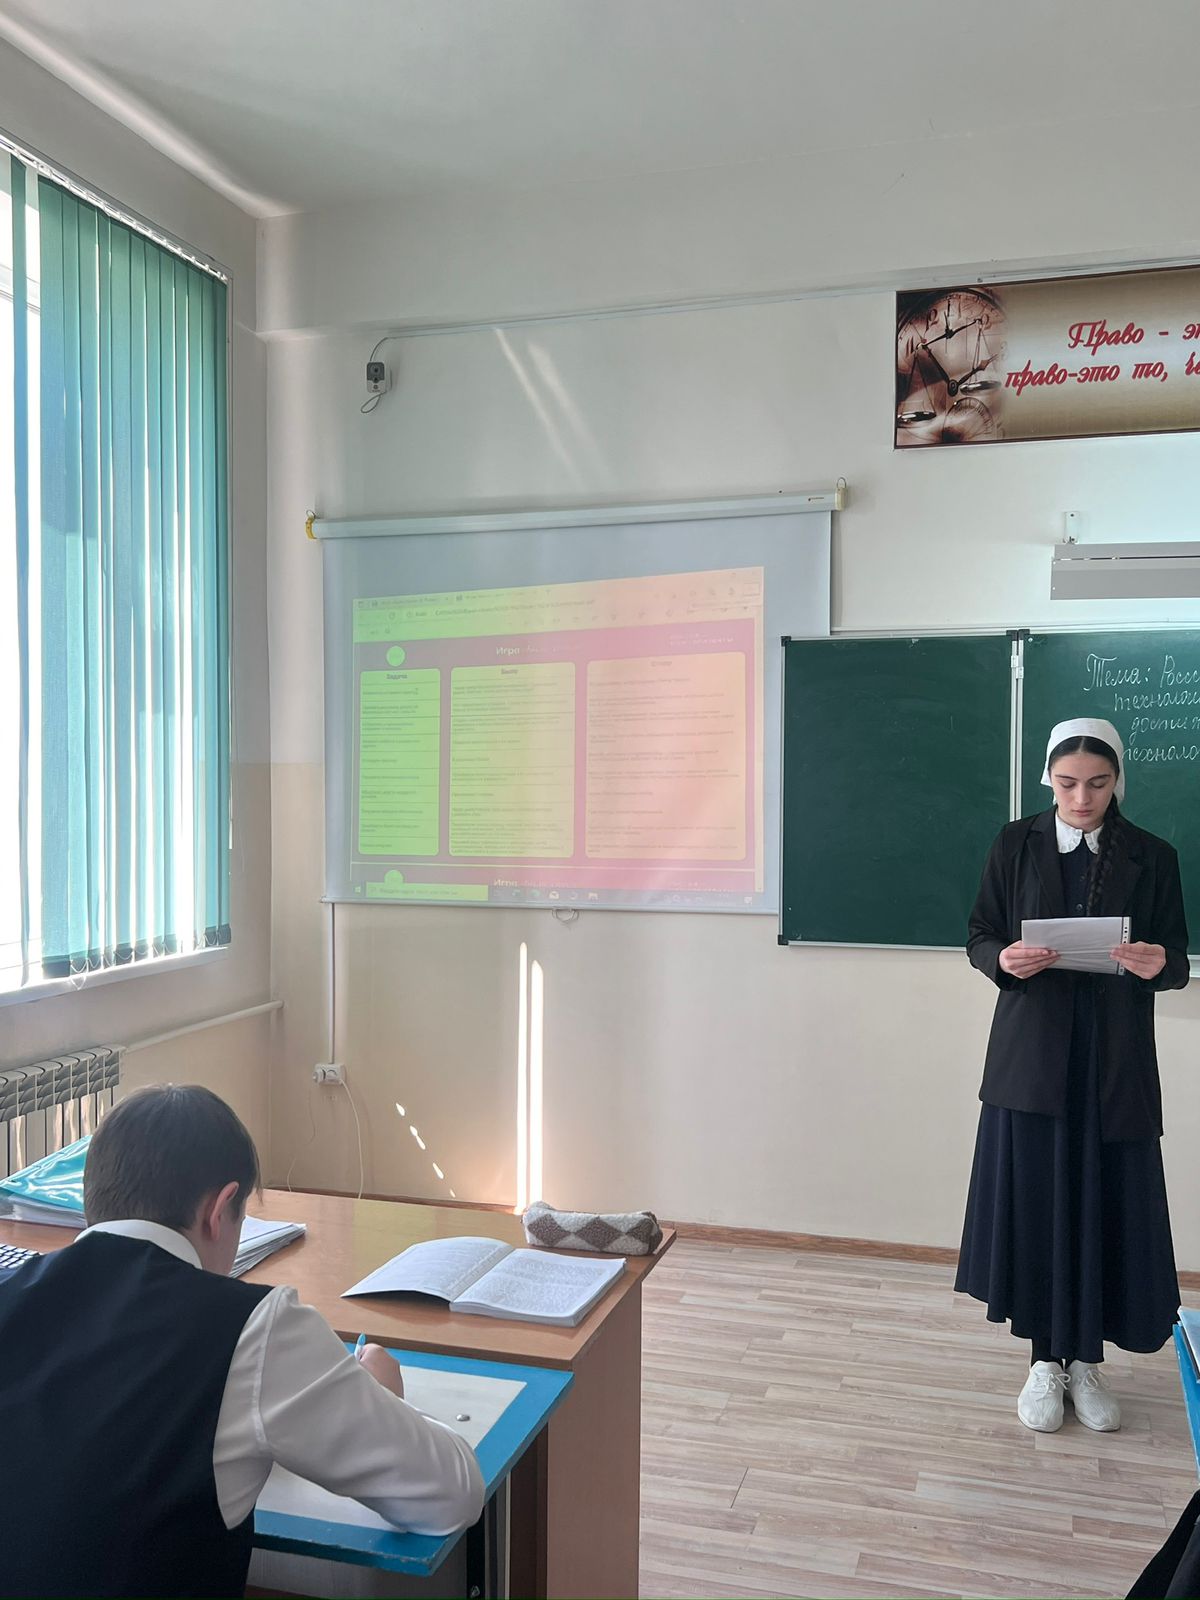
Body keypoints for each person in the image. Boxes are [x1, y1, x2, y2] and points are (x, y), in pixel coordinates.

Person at [0, 1085, 484, 1598]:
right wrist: (384, 1399)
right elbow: (452, 1496)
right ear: (221, 1208)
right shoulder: (252, 1327)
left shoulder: (12, 1293)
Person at [956, 717, 1190, 1435]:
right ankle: (1042, 1362)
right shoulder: (1013, 843)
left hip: (1114, 1062)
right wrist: (1003, 960)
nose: (1082, 799)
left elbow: (1176, 960)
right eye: (1066, 784)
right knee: (1038, 1206)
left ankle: (1087, 1361)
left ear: (1117, 781)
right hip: (1031, 1059)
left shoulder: (1153, 854)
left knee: (1106, 1205)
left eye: (1097, 783)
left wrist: (1159, 964)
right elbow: (980, 935)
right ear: (1047, 781)